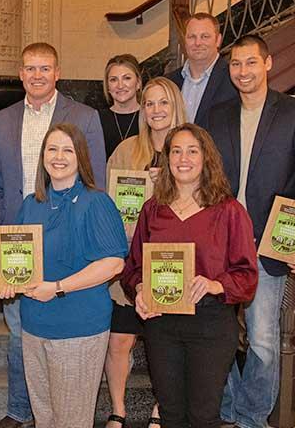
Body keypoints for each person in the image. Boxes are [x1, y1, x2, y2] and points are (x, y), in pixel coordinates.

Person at [208, 35, 295, 428]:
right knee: (217, 337)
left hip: (269, 246)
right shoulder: (217, 115)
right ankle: (226, 407)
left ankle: (250, 417)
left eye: (250, 63)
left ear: (268, 63)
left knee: (263, 340)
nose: (242, 71)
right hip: (220, 245)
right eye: (235, 65)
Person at [0, 42, 106, 428]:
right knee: (22, 332)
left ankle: (56, 412)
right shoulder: (2, 120)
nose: (37, 75)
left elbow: (96, 178)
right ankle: (21, 410)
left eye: (45, 68)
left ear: (58, 72)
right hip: (17, 238)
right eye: (30, 68)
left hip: (68, 235)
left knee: (52, 328)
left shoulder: (84, 116)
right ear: (20, 74)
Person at [121, 123, 259, 427]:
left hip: (210, 325)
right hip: (161, 326)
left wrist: (214, 283)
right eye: (176, 151)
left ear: (206, 158)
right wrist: (141, 288)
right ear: (167, 159)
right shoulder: (152, 210)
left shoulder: (229, 211)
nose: (183, 158)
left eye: (192, 151)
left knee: (203, 416)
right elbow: (132, 268)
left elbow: (247, 276)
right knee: (170, 414)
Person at [0, 123, 127, 428]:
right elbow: (14, 257)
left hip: (78, 328)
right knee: (45, 418)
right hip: (34, 326)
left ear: (80, 156)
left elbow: (113, 264)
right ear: (42, 156)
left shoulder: (97, 202)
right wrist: (4, 281)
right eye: (52, 149)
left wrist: (57, 287)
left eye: (68, 150)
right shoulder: (32, 204)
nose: (58, 157)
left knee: (71, 421)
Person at [105, 76, 187, 428]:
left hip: (172, 263)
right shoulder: (126, 150)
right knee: (120, 339)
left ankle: (159, 410)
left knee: (165, 343)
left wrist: (164, 185)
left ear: (176, 106)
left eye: (163, 102)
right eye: (150, 103)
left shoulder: (189, 147)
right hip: (130, 259)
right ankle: (118, 410)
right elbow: (107, 201)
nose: (156, 110)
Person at [166, 12, 237, 128]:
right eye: (192, 37)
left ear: (218, 40)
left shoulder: (233, 78)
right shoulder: (170, 82)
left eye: (205, 37)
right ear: (185, 40)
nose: (197, 43)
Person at [99, 54, 142, 159]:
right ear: (107, 86)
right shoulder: (96, 119)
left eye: (127, 78)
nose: (120, 85)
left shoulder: (149, 117)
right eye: (113, 80)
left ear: (138, 83)